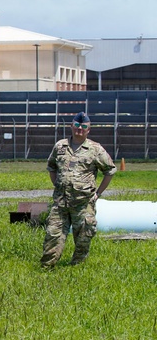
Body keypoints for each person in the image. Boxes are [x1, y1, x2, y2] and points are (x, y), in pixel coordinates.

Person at [40, 112, 116, 268]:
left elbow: (110, 170)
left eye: (83, 127)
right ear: (71, 126)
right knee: (53, 235)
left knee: (83, 237)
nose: (79, 129)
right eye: (76, 125)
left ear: (88, 130)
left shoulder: (95, 149)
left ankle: (77, 268)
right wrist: (58, 185)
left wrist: (97, 194)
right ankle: (46, 268)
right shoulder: (60, 146)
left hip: (83, 203)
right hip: (60, 203)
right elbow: (51, 167)